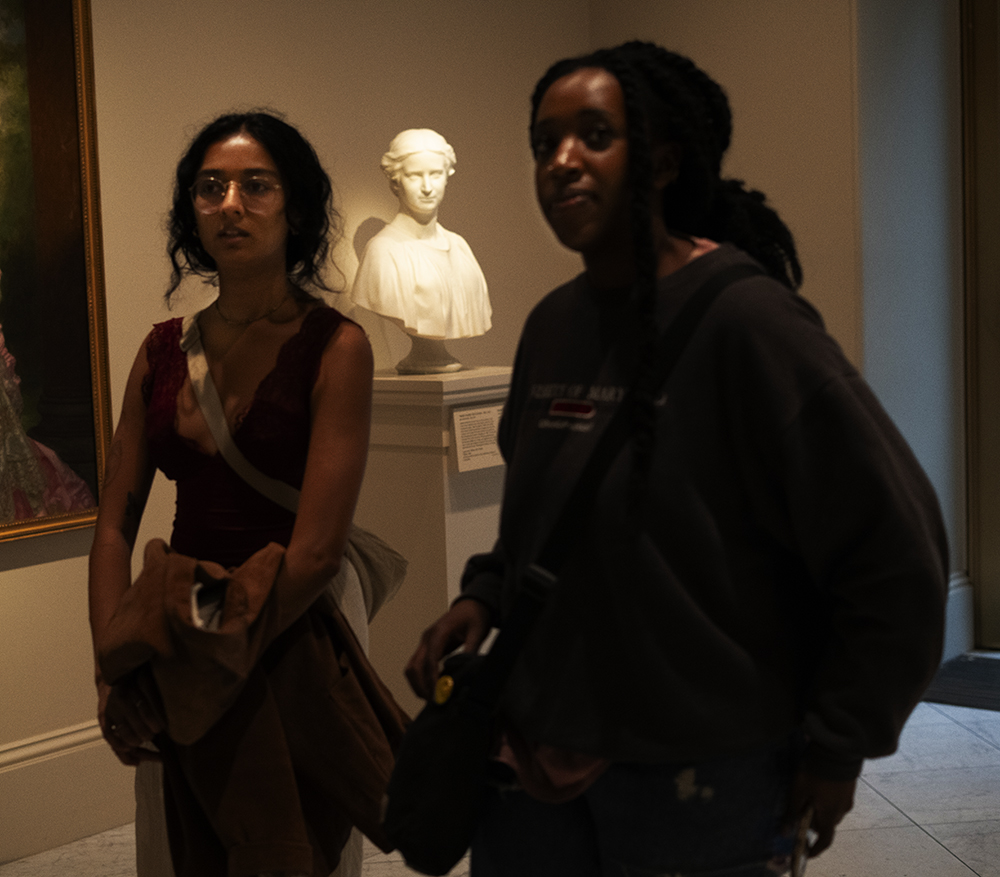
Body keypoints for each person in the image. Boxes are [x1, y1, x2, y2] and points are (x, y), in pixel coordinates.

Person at [406, 41, 948, 876]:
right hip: (537, 759)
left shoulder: (750, 323)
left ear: (661, 161)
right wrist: (483, 592)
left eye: (595, 135)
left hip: (702, 775)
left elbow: (897, 550)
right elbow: (540, 512)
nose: (562, 161)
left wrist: (841, 743)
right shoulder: (552, 324)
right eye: (545, 143)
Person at [88, 111, 376, 877]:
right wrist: (116, 664)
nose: (230, 205)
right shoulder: (160, 351)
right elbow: (113, 525)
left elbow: (316, 553)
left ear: (296, 207)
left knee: (292, 839)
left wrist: (206, 650)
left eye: (256, 185)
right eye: (210, 187)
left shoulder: (337, 346)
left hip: (291, 622)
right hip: (184, 615)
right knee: (180, 837)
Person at [351, 128, 490, 373]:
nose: (427, 187)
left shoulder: (459, 247)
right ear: (395, 182)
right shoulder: (383, 253)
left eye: (435, 174)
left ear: (447, 176)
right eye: (415, 176)